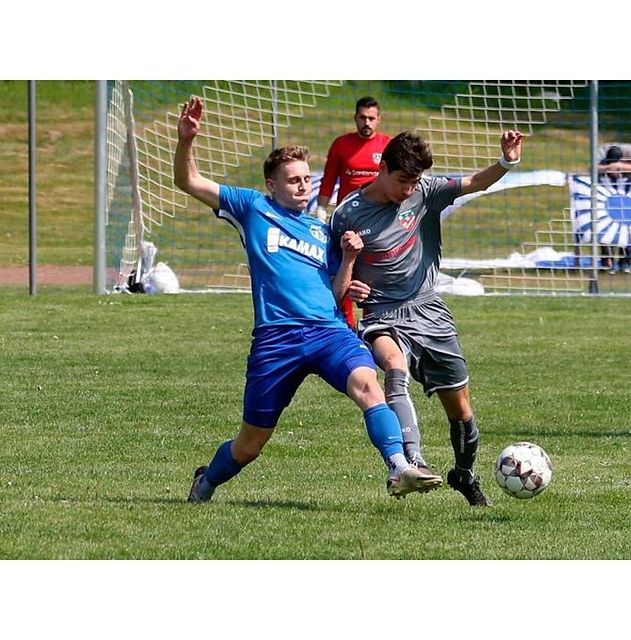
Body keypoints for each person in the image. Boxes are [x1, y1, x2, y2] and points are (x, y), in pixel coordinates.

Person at [173, 97, 442, 503]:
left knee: (370, 385)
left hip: (328, 332)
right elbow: (189, 182)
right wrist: (187, 141)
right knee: (250, 444)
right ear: (272, 185)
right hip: (276, 340)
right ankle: (206, 481)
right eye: (294, 179)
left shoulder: (321, 230)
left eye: (307, 178)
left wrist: (349, 258)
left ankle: (398, 466)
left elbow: (337, 292)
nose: (304, 185)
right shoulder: (251, 208)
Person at [330, 129, 524, 506]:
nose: (408, 189)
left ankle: (464, 474)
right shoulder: (347, 215)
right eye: (402, 180)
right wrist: (350, 281)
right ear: (382, 169)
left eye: (414, 181)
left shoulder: (426, 192)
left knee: (462, 410)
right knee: (393, 366)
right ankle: (410, 461)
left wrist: (507, 161)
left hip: (429, 310)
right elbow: (334, 283)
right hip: (381, 314)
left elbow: (475, 183)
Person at [316, 96, 391, 328]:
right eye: (362, 117)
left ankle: (375, 324)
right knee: (343, 271)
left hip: (379, 222)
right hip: (347, 223)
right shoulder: (341, 145)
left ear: (379, 120)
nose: (366, 122)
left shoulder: (388, 145)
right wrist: (320, 209)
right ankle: (345, 325)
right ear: (355, 118)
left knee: (374, 275)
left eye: (371, 118)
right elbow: (328, 180)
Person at [596, 143, 631, 273]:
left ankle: (625, 262)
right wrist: (608, 168)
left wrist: (620, 166)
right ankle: (607, 262)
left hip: (628, 191)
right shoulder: (601, 151)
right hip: (607, 189)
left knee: (628, 225)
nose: (615, 173)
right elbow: (592, 168)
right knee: (604, 223)